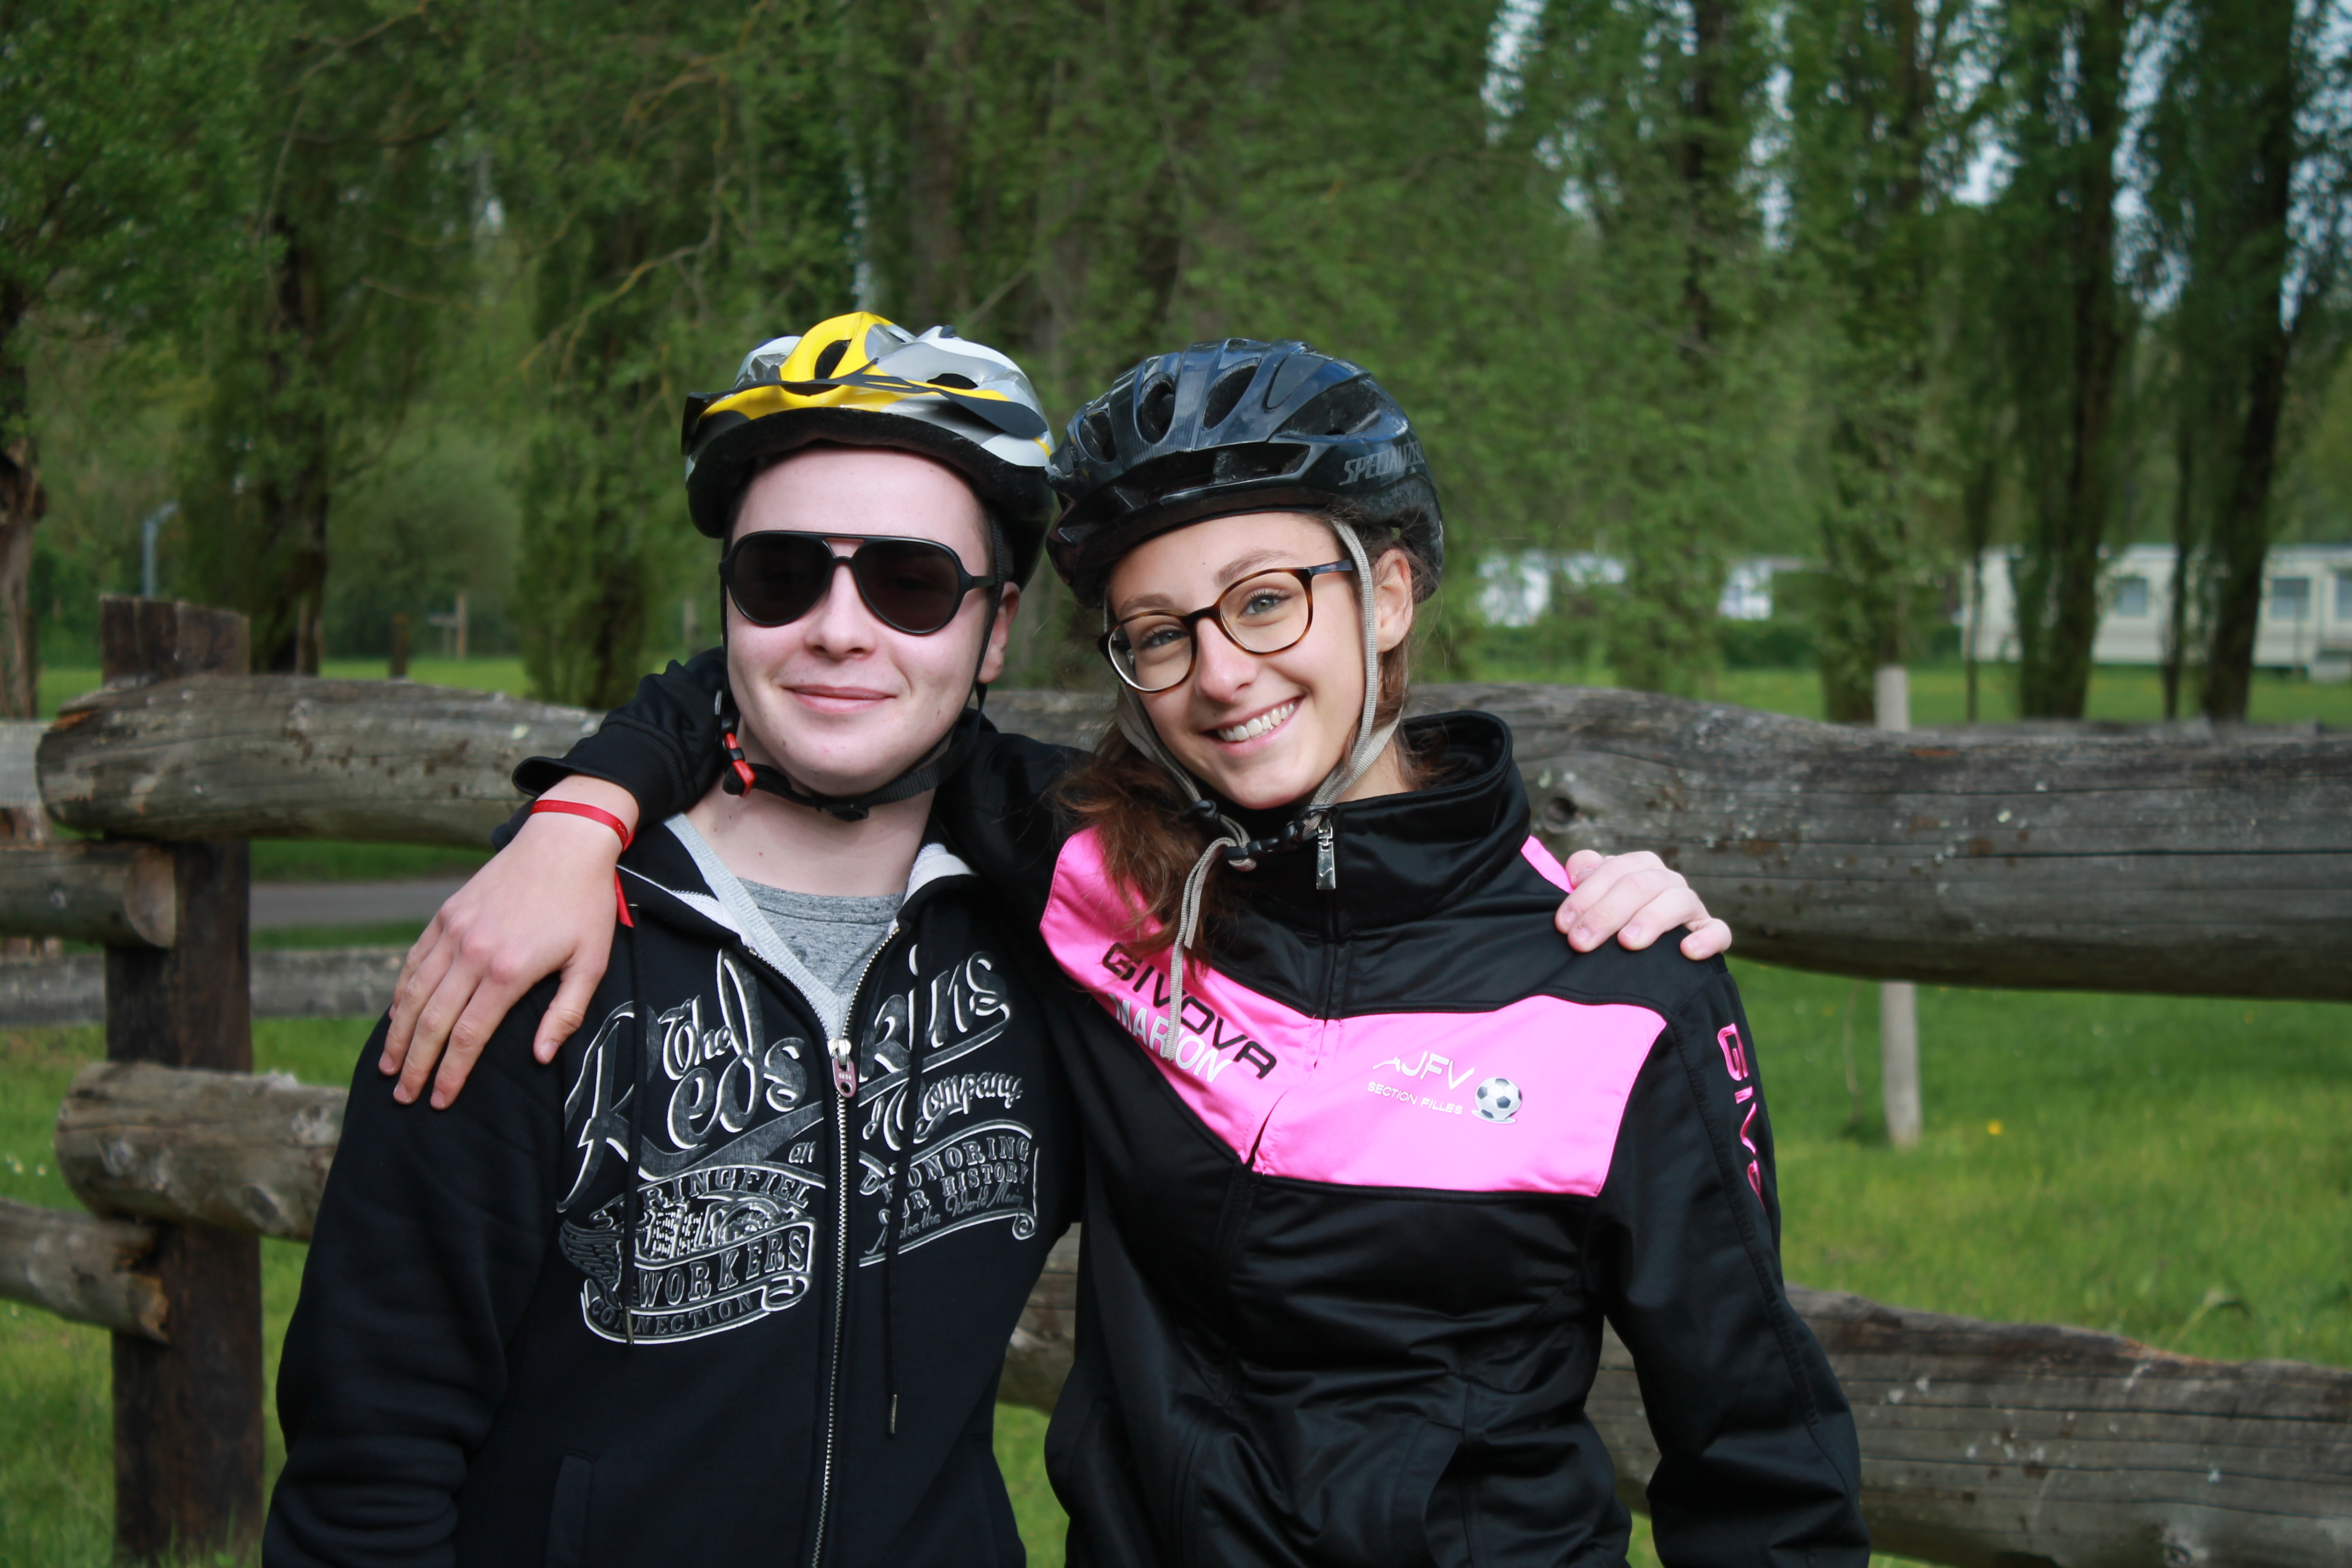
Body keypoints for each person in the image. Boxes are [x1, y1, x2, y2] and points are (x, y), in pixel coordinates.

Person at [376, 334, 1803, 1567]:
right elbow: (825, 673)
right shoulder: (1095, 875)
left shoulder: (1617, 980)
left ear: (1387, 593)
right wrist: (581, 812)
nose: (1222, 673)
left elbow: (1762, 1464)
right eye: (1158, 633)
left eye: (1267, 599)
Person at [267, 314, 1098, 1567]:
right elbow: (368, 1460)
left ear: (995, 630)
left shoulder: (1063, 942)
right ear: (729, 604)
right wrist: (584, 812)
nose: (837, 627)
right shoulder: (528, 945)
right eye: (782, 574)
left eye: (911, 583)